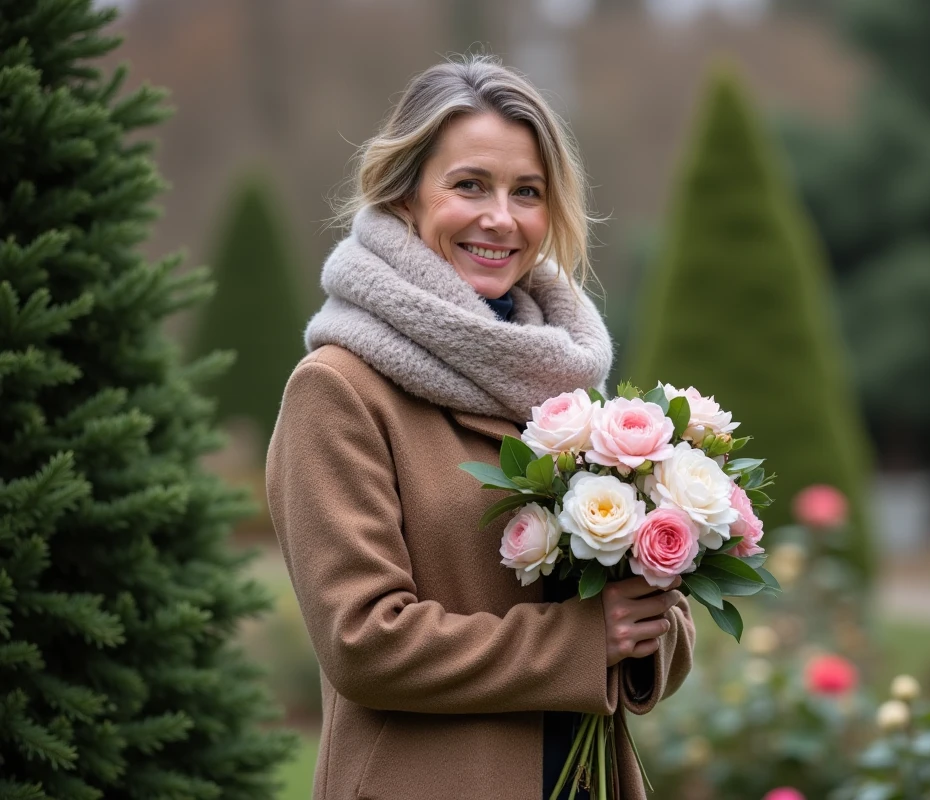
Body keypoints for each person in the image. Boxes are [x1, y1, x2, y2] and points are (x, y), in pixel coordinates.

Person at [265, 55, 695, 800]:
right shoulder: (337, 391)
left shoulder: (562, 389)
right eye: (470, 185)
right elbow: (364, 641)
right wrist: (583, 643)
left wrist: (656, 606)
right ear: (404, 198)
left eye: (527, 192)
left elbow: (649, 629)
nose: (501, 218)